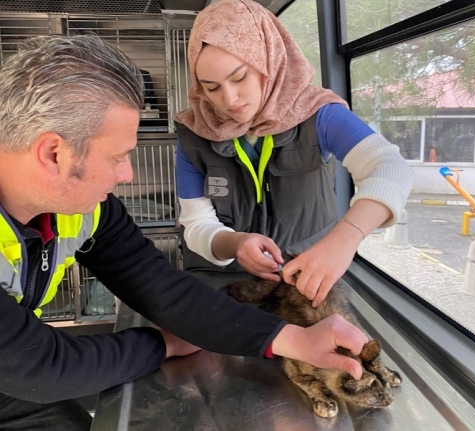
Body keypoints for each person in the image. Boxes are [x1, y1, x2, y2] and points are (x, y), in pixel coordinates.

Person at [0, 34, 369, 431]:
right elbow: (46, 368)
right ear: (54, 153)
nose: (127, 175)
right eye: (118, 157)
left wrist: (293, 338)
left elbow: (162, 288)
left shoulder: (83, 210)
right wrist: (165, 344)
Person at [175, 0, 414, 305]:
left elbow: (390, 168)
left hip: (305, 281)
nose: (229, 99)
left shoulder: (318, 115)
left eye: (239, 78)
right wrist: (234, 243)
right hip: (224, 286)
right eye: (211, 88)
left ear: (268, 63)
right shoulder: (195, 133)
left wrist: (345, 239)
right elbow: (196, 225)